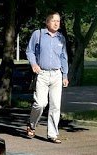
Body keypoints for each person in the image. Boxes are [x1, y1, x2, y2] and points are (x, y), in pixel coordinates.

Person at [26, 12, 69, 142]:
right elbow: (30, 51)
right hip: (42, 74)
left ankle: (52, 134)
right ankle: (32, 125)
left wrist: (65, 75)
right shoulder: (38, 34)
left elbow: (64, 57)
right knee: (40, 103)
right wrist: (34, 64)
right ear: (47, 22)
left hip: (56, 74)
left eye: (58, 21)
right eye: (54, 21)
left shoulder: (61, 38)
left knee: (55, 105)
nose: (56, 23)